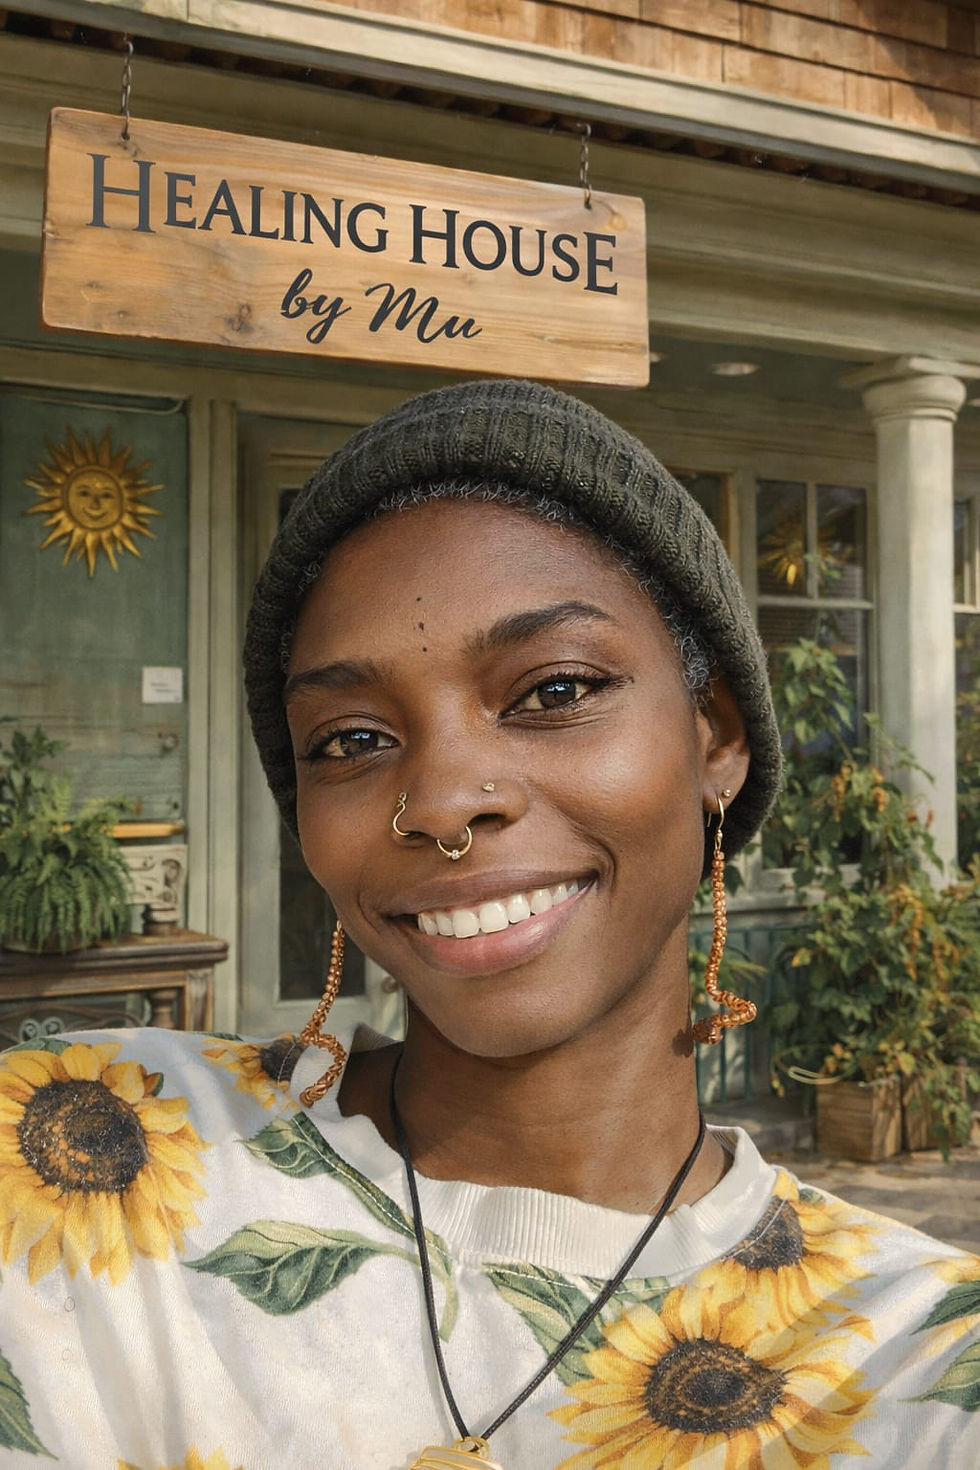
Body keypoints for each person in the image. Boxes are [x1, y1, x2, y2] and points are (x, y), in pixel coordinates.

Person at [1, 379, 978, 1470]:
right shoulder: (77, 1151)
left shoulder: (916, 1364)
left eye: (553, 691)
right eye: (351, 741)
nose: (442, 799)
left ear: (715, 739)